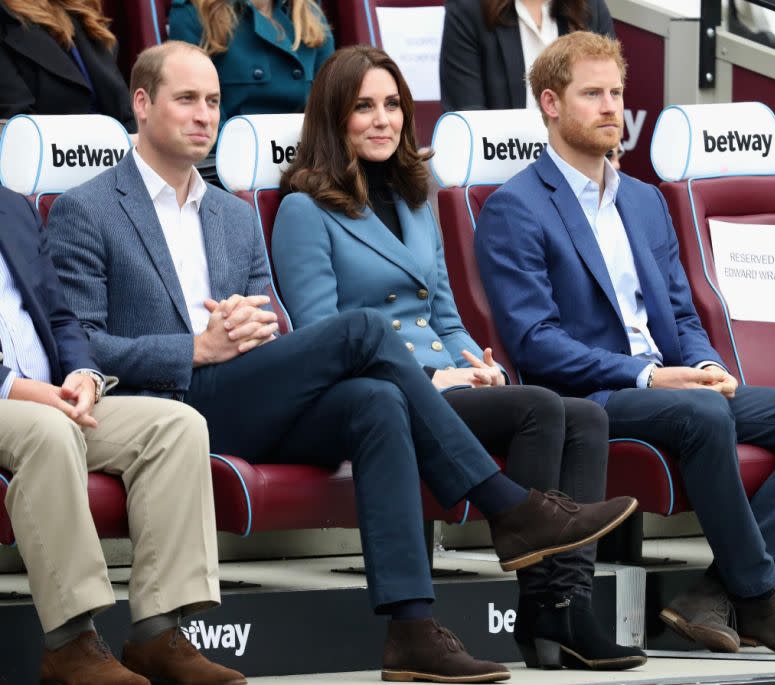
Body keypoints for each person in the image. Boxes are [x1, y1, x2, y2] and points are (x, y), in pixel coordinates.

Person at [46, 40, 637, 683]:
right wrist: (195, 347)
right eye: (186, 100)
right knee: (360, 331)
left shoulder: (232, 214)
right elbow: (75, 343)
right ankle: (509, 508)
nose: (203, 116)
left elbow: (273, 317)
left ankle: (411, 630)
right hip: (169, 406)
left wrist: (252, 330)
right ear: (141, 103)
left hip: (252, 390)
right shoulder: (90, 207)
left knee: (376, 400)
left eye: (213, 101)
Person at [474, 31, 775, 657]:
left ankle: (718, 590)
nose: (611, 108)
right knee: (702, 408)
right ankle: (762, 602)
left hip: (676, 386)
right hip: (593, 396)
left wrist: (706, 363)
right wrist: (651, 378)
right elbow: (536, 343)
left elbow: (680, 315)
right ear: (549, 103)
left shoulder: (644, 201)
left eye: (617, 93)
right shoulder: (514, 207)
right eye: (592, 95)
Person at [271, 44, 647, 672]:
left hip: (447, 382)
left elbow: (443, 314)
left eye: (392, 104)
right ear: (334, 120)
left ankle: (565, 609)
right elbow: (323, 338)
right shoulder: (304, 211)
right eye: (363, 107)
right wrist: (433, 374)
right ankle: (534, 573)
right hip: (383, 392)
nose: (383, 119)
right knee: (537, 409)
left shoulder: (421, 198)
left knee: (581, 415)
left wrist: (478, 361)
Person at [0, 185, 243, 685]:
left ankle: (158, 632)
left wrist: (84, 376)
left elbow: (62, 316)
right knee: (48, 432)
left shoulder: (11, 205)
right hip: (18, 403)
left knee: (175, 426)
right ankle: (71, 643)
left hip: (56, 398)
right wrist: (19, 390)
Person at [168, 0, 335, 122]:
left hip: (301, 152)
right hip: (233, 155)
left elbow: (329, 102)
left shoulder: (310, 15)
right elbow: (197, 110)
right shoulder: (195, 13)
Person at [440, 0, 614, 112]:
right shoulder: (468, 9)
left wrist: (607, 152)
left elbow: (608, 97)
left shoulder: (591, 7)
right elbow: (467, 113)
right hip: (500, 162)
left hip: (576, 162)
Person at [0, 0, 135, 130]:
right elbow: (18, 127)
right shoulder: (6, 20)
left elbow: (125, 115)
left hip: (117, 148)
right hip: (52, 150)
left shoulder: (81, 14)